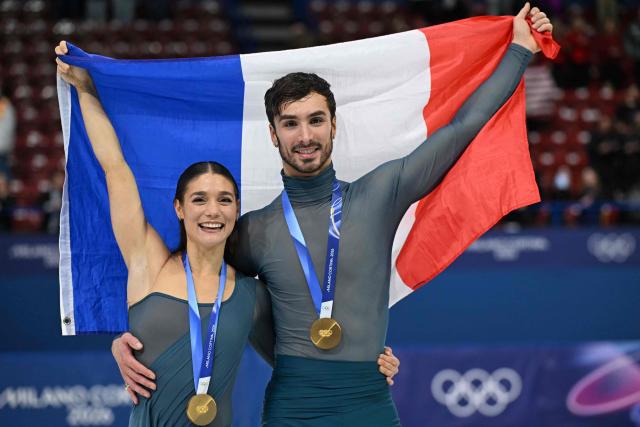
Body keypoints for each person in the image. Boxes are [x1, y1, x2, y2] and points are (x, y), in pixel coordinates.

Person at [113, 3, 553, 425]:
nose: (305, 136)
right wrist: (131, 344)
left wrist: (519, 49)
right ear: (273, 134)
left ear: (334, 125)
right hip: (292, 408)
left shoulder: (380, 195)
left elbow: (462, 129)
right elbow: (185, 287)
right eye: (290, 123)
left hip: (368, 400)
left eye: (315, 120)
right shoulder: (250, 232)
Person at [55, 40, 399, 427]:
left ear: (237, 210)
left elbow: (303, 358)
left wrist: (370, 364)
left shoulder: (250, 295)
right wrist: (85, 88)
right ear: (179, 208)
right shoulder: (147, 262)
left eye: (224, 200)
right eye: (199, 199)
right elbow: (114, 168)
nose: (212, 211)